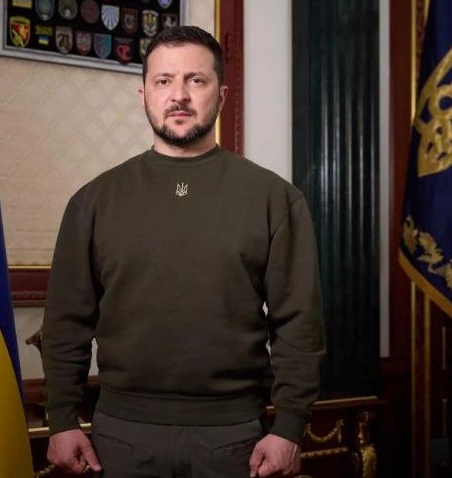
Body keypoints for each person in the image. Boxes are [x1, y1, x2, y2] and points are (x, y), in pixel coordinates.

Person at [42, 25, 325, 478]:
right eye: (163, 80)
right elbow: (65, 322)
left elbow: (299, 324)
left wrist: (290, 426)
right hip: (120, 434)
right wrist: (61, 419)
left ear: (222, 94)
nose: (179, 95)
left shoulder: (275, 199)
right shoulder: (93, 201)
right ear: (144, 95)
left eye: (196, 80)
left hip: (235, 436)